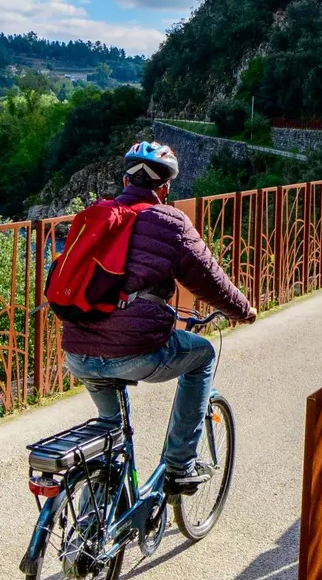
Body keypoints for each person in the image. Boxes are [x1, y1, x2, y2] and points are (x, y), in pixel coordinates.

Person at [59, 142, 256, 495]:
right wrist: (243, 311)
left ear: (124, 181)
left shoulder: (98, 217)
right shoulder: (170, 222)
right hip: (135, 351)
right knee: (202, 356)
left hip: (78, 352)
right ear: (165, 189)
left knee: (110, 430)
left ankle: (97, 515)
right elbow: (210, 280)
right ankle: (180, 467)